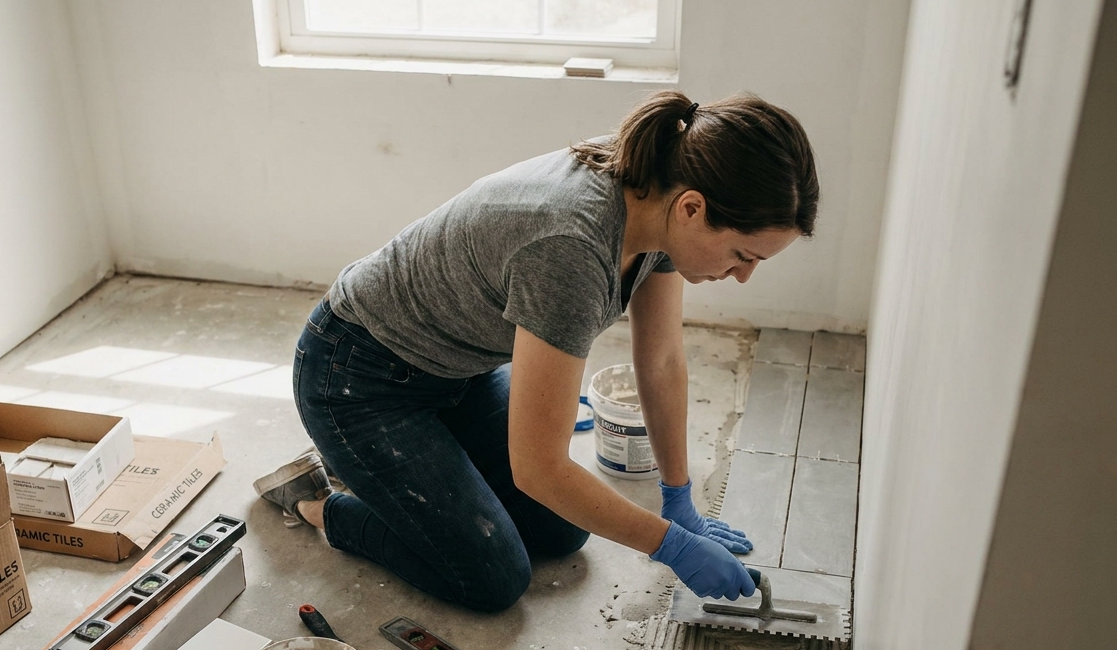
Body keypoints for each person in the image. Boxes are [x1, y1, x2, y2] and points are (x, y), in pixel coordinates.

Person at [254, 90, 818, 614]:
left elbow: (663, 358)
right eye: (744, 255)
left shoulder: (663, 185)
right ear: (693, 209)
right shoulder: (571, 248)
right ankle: (317, 500)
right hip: (358, 377)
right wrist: (670, 546)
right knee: (490, 577)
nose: (743, 276)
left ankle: (389, 467)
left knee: (562, 532)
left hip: (458, 370)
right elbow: (539, 469)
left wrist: (678, 497)